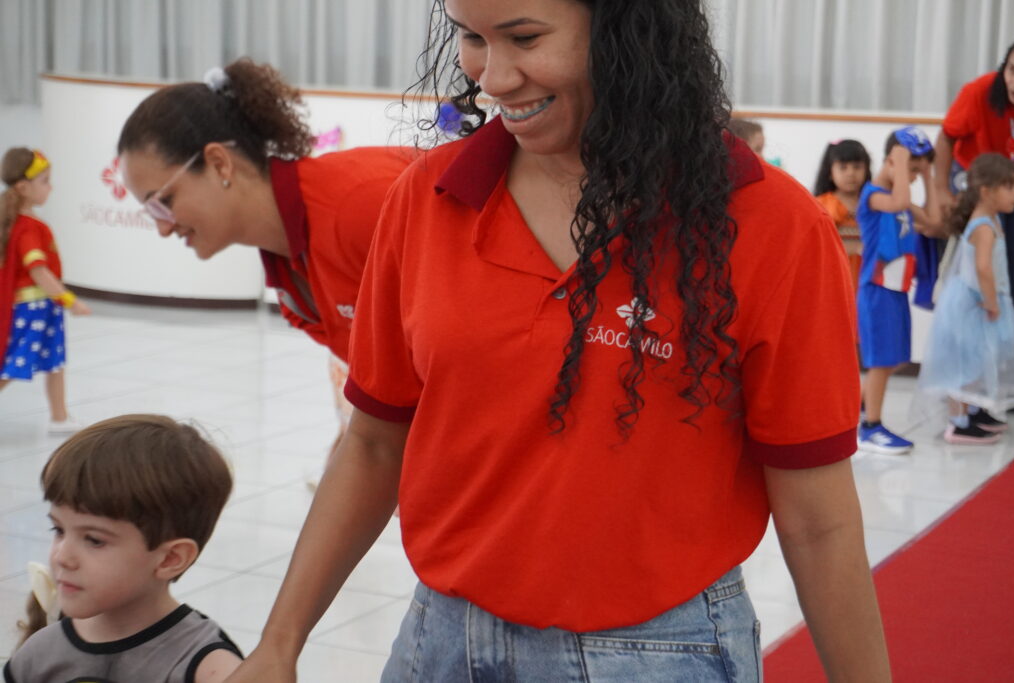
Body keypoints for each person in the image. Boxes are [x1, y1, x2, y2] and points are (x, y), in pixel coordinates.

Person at [228, 1, 890, 681]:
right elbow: (372, 443)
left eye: (524, 38)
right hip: (442, 638)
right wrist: (280, 642)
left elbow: (818, 519)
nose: (492, 78)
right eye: (471, 38)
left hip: (659, 653)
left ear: (628, 30)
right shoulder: (428, 198)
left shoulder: (770, 225)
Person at [117, 59, 416, 467]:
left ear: (219, 163)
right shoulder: (292, 280)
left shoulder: (360, 205)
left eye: (161, 204)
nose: (163, 229)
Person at [4, 414, 242, 683]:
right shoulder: (40, 654)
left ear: (170, 558)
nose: (62, 557)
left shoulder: (210, 669)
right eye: (58, 530)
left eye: (94, 540)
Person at [916, 154, 1014, 444]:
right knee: (965, 363)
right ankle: (958, 422)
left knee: (980, 360)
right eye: (1010, 187)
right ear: (987, 192)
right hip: (975, 303)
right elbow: (983, 267)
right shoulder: (984, 226)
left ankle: (974, 410)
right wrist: (992, 301)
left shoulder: (990, 219)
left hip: (981, 300)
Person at [856, 127, 942, 455]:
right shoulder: (874, 195)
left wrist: (929, 176)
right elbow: (900, 200)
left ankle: (861, 409)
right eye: (910, 170)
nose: (914, 177)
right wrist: (903, 162)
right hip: (877, 290)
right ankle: (871, 427)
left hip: (896, 290)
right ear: (892, 161)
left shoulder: (899, 203)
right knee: (882, 361)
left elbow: (933, 221)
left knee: (894, 359)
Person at [934, 35, 1014, 334]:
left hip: (1011, 185)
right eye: (1012, 70)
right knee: (969, 259)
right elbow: (946, 137)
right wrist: (940, 190)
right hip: (972, 181)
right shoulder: (979, 92)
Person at [0, 147, 91, 434]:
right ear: (23, 188)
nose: (50, 187)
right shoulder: (28, 228)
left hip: (43, 308)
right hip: (33, 308)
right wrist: (68, 299)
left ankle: (59, 417)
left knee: (55, 361)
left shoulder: (25, 224)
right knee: (15, 363)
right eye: (45, 181)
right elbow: (38, 271)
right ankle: (59, 417)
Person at [814, 139, 872, 291]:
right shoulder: (822, 205)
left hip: (866, 283)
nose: (850, 173)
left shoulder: (874, 204)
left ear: (866, 170)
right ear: (830, 172)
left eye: (857, 167)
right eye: (843, 167)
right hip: (833, 281)